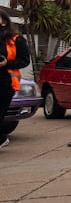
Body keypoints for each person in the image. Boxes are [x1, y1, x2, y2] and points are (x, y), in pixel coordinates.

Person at [0, 13, 31, 149]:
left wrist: (6, 63)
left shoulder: (16, 40)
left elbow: (24, 60)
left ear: (4, 21)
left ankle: (1, 139)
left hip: (6, 82)